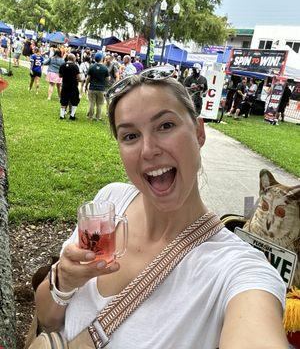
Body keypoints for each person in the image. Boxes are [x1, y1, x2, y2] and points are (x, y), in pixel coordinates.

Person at [35, 67, 287, 349]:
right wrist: (64, 281)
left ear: (199, 133)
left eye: (165, 126)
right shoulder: (109, 204)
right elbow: (47, 317)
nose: (148, 149)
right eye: (130, 136)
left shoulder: (236, 269)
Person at [86, 52, 109, 121]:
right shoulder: (105, 68)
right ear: (102, 59)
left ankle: (90, 116)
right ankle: (98, 117)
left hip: (92, 88)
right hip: (101, 88)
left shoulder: (91, 67)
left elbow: (88, 78)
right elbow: (107, 79)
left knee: (91, 103)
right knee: (99, 104)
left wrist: (86, 85)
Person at [59, 53, 80, 120]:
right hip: (73, 86)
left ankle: (62, 115)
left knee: (63, 100)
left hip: (65, 85)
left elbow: (60, 75)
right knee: (74, 100)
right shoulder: (75, 66)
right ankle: (72, 115)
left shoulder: (62, 65)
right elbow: (78, 77)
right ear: (73, 59)